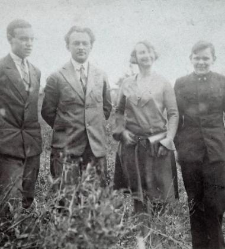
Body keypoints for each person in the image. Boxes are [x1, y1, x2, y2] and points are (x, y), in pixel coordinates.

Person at [113, 40, 179, 215]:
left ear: (154, 54)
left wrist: (169, 139)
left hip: (157, 146)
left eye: (149, 51)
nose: (146, 55)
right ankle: (141, 234)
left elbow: (173, 114)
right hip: (133, 145)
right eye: (141, 52)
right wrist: (122, 131)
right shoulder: (126, 83)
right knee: (138, 197)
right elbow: (118, 111)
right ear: (135, 57)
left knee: (160, 198)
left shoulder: (164, 83)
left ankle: (157, 237)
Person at [41, 26, 112, 187]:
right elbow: (47, 111)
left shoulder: (101, 76)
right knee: (65, 202)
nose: (81, 47)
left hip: (95, 149)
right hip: (66, 150)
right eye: (76, 43)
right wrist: (68, 128)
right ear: (68, 46)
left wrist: (91, 127)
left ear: (91, 46)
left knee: (95, 202)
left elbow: (106, 108)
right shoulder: (56, 77)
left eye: (85, 43)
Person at [174, 41, 225, 249]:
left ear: (213, 59)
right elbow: (175, 116)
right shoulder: (181, 83)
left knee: (215, 204)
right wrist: (179, 145)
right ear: (191, 59)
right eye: (197, 58)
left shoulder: (222, 81)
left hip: (217, 152)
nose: (201, 62)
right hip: (190, 153)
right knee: (195, 204)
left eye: (206, 58)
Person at [0, 19, 42, 212]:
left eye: (32, 39)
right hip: (7, 146)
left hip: (31, 145)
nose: (29, 43)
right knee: (9, 201)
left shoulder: (35, 71)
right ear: (10, 39)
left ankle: (27, 240)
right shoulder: (1, 68)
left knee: (27, 201)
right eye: (24, 39)